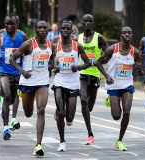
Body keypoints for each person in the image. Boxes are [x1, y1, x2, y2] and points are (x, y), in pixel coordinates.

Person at [10, 20, 54, 156]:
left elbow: (52, 61)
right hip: (27, 83)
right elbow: (12, 59)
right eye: (39, 28)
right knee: (28, 113)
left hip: (42, 82)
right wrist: (23, 72)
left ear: (47, 30)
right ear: (35, 30)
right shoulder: (28, 44)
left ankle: (38, 145)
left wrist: (53, 66)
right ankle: (19, 92)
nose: (42, 30)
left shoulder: (51, 45)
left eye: (44, 28)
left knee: (41, 110)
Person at [96, 26, 143, 151]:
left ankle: (119, 140)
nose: (127, 35)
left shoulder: (135, 52)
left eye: (129, 33)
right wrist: (106, 76)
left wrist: (140, 70)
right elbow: (98, 62)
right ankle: (111, 99)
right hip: (114, 86)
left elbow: (140, 71)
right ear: (120, 36)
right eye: (124, 33)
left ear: (132, 36)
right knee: (116, 116)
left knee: (126, 112)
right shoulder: (113, 49)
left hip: (127, 86)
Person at [52, 19, 91, 152]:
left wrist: (78, 67)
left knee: (69, 117)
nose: (65, 31)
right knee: (61, 112)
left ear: (71, 31)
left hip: (73, 83)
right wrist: (54, 67)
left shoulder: (77, 46)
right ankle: (62, 141)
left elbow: (88, 63)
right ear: (60, 30)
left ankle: (65, 117)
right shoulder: (55, 45)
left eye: (68, 29)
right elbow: (50, 62)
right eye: (63, 28)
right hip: (59, 82)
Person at [0, 13, 28, 141]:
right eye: (7, 24)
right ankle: (6, 127)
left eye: (12, 24)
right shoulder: (0, 37)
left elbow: (28, 51)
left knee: (13, 97)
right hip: (3, 70)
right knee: (7, 95)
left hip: (17, 71)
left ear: (17, 24)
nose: (9, 26)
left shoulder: (22, 36)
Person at [78, 14, 108, 145]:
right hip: (82, 73)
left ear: (93, 23)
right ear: (82, 23)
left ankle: (87, 121)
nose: (88, 23)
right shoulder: (78, 38)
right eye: (86, 21)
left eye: (90, 21)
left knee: (88, 108)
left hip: (95, 74)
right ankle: (90, 134)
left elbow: (109, 53)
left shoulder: (99, 37)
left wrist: (100, 61)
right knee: (83, 99)